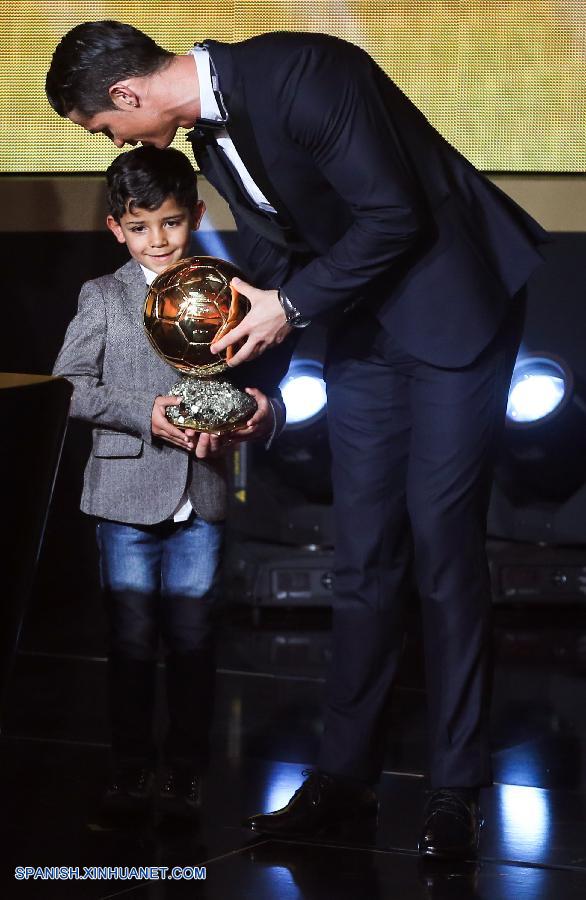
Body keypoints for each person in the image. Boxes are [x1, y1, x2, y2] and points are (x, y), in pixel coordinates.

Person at [46, 22, 549, 856]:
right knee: (363, 553)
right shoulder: (208, 138)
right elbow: (280, 249)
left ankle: (454, 791)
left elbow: (394, 214)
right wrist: (254, 394)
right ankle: (344, 779)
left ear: (127, 97)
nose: (115, 141)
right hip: (365, 325)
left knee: (442, 543)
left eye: (104, 128)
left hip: (456, 306)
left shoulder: (304, 72)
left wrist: (291, 308)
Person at [52, 144, 285, 824]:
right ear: (116, 229)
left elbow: (257, 389)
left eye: (173, 222)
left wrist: (245, 417)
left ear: (198, 216)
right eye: (141, 226)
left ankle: (185, 774)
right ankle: (129, 774)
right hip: (124, 499)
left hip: (203, 495)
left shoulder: (230, 291)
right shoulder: (101, 296)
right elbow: (67, 387)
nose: (159, 239)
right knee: (129, 643)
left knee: (193, 641)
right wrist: (143, 414)